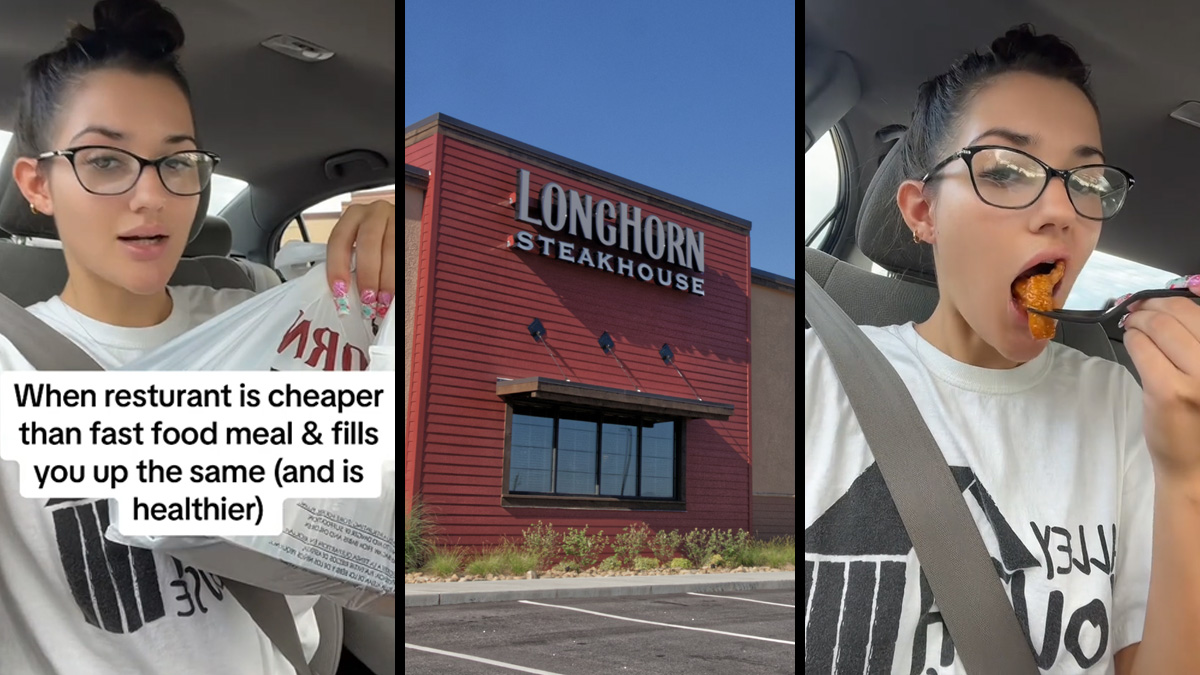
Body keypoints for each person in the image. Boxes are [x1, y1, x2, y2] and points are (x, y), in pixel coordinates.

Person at [0, 0, 394, 673]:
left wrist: (407, 243)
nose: (151, 196)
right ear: (39, 184)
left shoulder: (266, 311)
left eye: (177, 163)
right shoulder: (14, 366)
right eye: (103, 160)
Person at [804, 25, 1200, 674]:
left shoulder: (1126, 407)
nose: (1062, 210)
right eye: (1008, 170)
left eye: (1089, 182)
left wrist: (1188, 475)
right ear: (922, 213)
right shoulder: (815, 375)